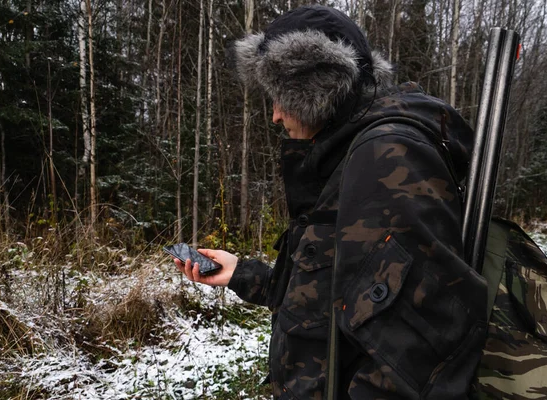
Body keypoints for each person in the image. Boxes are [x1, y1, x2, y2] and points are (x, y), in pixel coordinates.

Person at [174, 5, 488, 399]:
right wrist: (244, 275)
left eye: (281, 98)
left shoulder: (385, 156)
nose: (274, 115)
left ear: (316, 91)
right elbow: (341, 296)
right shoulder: (345, 157)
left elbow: (417, 356)